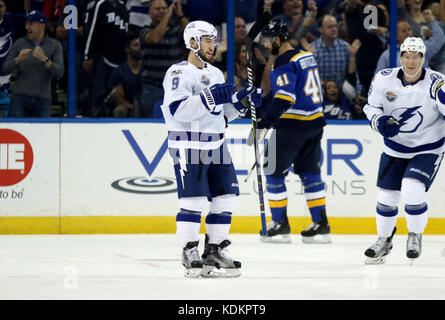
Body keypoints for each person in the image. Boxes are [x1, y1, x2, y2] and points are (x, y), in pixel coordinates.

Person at [161, 20, 262, 277]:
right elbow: (179, 110)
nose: (212, 45)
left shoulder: (216, 74)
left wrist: (241, 104)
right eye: (207, 39)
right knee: (193, 200)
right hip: (188, 145)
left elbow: (221, 116)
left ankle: (213, 250)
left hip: (217, 145)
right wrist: (211, 97)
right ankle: (189, 249)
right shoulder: (178, 73)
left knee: (226, 196)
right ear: (192, 42)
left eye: (214, 40)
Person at [363, 37, 445, 264]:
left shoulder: (437, 83)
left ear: (423, 58)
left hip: (428, 148)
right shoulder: (384, 79)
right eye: (407, 56)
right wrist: (379, 121)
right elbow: (370, 107)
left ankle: (415, 235)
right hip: (394, 148)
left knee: (412, 189)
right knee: (386, 197)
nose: (411, 61)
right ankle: (383, 241)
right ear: (400, 57)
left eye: (416, 56)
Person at [257, 19, 331, 244]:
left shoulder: (282, 62)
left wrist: (264, 120)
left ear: (278, 39)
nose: (267, 46)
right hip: (314, 123)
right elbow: (296, 90)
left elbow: (286, 98)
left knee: (272, 172)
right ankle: (321, 223)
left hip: (292, 126)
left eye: (269, 41)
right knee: (310, 173)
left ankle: (280, 223)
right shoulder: (304, 55)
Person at [2, 10, 64, 117]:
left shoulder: (55, 45)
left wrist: (45, 59)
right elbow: (4, 69)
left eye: (31, 24)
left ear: (42, 26)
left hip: (43, 99)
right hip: (19, 98)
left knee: (42, 133)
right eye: (26, 24)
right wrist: (18, 59)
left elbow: (59, 73)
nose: (27, 27)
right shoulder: (20, 43)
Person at [140, 0, 188, 118]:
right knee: (153, 127)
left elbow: (192, 36)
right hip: (152, 88)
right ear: (150, 13)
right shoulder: (144, 31)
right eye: (157, 9)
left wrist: (180, 15)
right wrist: (168, 15)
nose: (161, 11)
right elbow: (155, 38)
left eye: (164, 8)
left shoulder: (176, 30)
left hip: (175, 88)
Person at [82, 0, 129, 117]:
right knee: (99, 92)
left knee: (118, 95)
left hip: (120, 59)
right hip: (102, 57)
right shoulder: (100, 4)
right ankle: (94, 120)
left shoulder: (123, 6)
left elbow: (126, 32)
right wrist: (87, 55)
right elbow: (90, 29)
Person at [375, 15, 445, 73]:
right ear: (395, 36)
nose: (408, 33)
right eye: (403, 31)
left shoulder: (423, 47)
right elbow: (377, 77)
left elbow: (440, 39)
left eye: (409, 30)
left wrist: (432, 21)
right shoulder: (387, 55)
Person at [310, 14, 361, 88]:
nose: (334, 29)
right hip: (319, 93)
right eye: (330, 27)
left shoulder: (345, 47)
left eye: (336, 26)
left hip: (340, 94)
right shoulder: (312, 49)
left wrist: (357, 93)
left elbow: (353, 74)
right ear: (321, 29)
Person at [108, 34, 142, 117]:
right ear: (127, 50)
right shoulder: (119, 71)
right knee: (120, 110)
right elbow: (119, 99)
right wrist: (133, 107)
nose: (140, 48)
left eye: (141, 45)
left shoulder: (148, 68)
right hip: (129, 107)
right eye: (136, 45)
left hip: (147, 103)